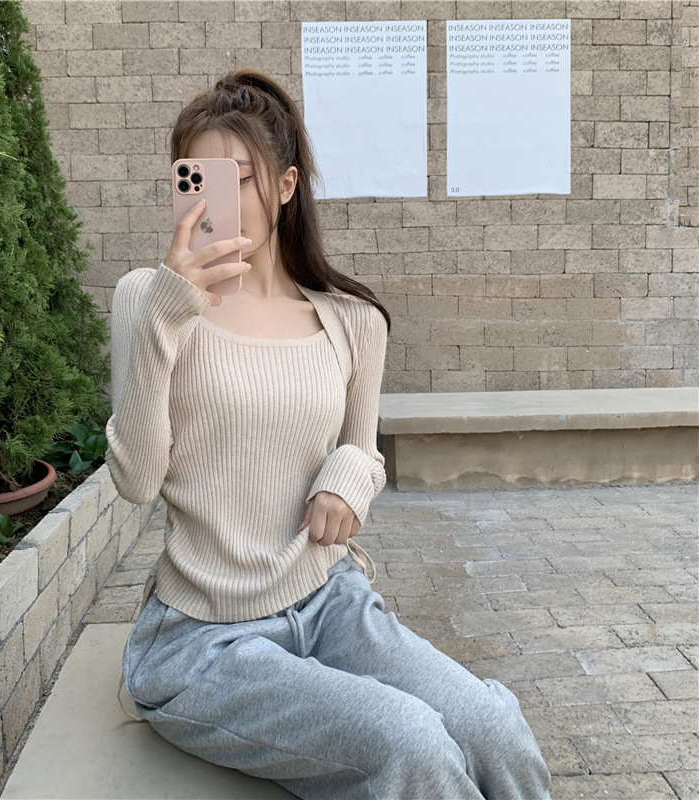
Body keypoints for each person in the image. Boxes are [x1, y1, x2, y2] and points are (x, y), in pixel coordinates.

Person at [105, 69, 551, 800]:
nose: (213, 201)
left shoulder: (351, 321)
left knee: (490, 723)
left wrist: (347, 474)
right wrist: (166, 312)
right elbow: (135, 480)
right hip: (200, 638)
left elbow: (362, 449)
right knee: (410, 741)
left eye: (238, 179)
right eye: (196, 178)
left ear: (285, 186)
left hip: (329, 601)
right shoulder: (145, 301)